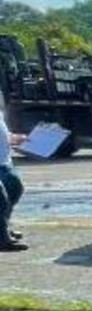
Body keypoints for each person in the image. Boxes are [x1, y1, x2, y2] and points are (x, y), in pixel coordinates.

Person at [0, 96, 25, 251]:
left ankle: (4, 228)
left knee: (15, 189)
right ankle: (2, 240)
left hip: (3, 162)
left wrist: (17, 138)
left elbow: (4, 135)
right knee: (0, 200)